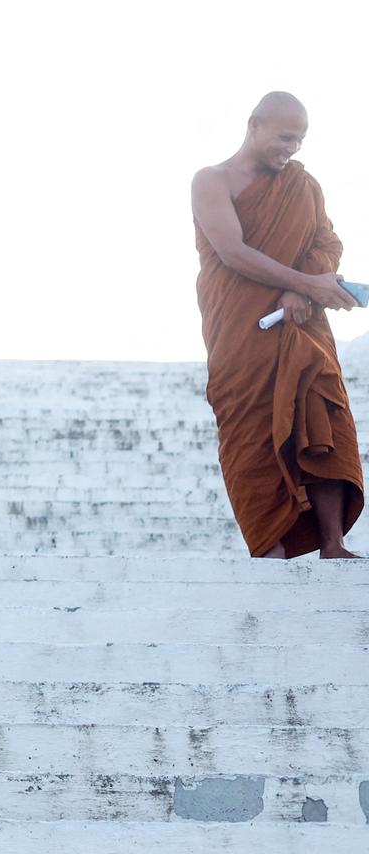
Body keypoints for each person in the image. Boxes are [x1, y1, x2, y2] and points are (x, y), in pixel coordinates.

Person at [191, 90, 362, 558]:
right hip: (242, 330)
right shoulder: (212, 181)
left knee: (321, 415)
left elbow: (326, 243)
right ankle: (272, 547)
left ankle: (333, 543)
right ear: (254, 124)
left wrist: (301, 291)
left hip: (302, 325)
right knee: (251, 433)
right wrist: (305, 283)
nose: (292, 148)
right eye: (285, 137)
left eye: (300, 140)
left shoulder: (304, 187)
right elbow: (233, 251)